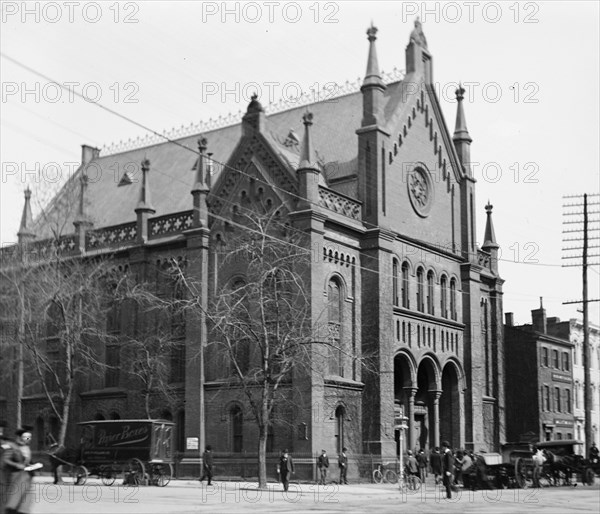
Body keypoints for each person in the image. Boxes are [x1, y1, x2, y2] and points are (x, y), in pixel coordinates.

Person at [2, 428, 40, 514]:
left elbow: (27, 461)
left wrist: (33, 466)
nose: (29, 439)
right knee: (14, 496)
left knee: (26, 496)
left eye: (29, 437)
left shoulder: (26, 448)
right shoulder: (11, 446)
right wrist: (17, 465)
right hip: (16, 474)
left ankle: (22, 510)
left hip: (27, 475)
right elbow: (5, 460)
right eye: (26, 437)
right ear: (19, 437)